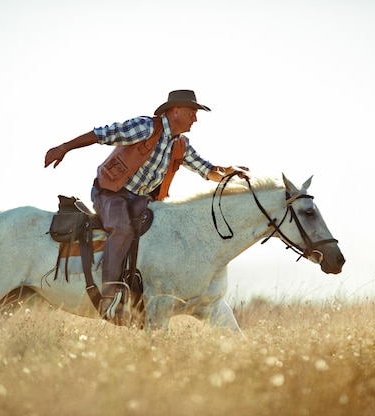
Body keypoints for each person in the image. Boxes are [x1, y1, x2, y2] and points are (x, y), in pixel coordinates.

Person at [44, 89, 244, 323]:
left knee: (161, 232)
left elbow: (205, 169)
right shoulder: (146, 128)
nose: (195, 118)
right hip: (111, 193)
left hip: (141, 199)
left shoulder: (180, 144)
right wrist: (64, 148)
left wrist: (228, 174)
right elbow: (103, 134)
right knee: (122, 229)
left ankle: (140, 290)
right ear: (175, 110)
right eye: (192, 112)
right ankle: (110, 294)